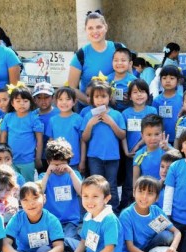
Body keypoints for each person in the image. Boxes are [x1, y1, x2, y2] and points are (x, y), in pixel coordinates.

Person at [119, 176, 181, 252]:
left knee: (167, 235)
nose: (144, 197)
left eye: (150, 193)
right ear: (134, 193)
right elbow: (130, 247)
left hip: (150, 247)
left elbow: (177, 232)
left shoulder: (156, 211)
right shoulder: (126, 215)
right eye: (141, 191)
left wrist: (173, 247)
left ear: (156, 198)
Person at [65, 175, 124, 252]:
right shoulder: (88, 215)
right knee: (64, 241)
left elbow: (109, 250)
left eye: (95, 196)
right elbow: (83, 240)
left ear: (106, 198)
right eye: (85, 196)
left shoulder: (109, 220)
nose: (89, 201)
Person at [82, 80, 127, 211]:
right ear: (92, 99)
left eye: (103, 96)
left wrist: (111, 122)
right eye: (96, 97)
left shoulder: (116, 115)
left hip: (112, 157)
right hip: (94, 156)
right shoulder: (88, 115)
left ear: (110, 97)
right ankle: (97, 210)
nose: (100, 100)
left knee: (111, 185)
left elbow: (122, 135)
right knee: (96, 184)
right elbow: (84, 138)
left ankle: (114, 210)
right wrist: (90, 124)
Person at [67, 11, 125, 105]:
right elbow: (72, 87)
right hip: (90, 111)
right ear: (85, 30)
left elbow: (130, 77)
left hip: (118, 108)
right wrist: (91, 101)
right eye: (90, 28)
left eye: (99, 27)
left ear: (106, 27)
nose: (95, 31)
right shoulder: (80, 55)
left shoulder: (119, 48)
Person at [39, 138, 83, 243]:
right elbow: (38, 192)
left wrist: (71, 172)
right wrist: (48, 173)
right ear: (49, 162)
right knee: (51, 243)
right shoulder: (43, 177)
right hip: (49, 220)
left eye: (62, 164)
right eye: (55, 164)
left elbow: (82, 192)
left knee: (69, 241)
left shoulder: (74, 175)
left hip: (70, 221)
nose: (59, 168)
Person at [0, 86, 44, 182]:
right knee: (12, 184)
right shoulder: (8, 117)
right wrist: (2, 157)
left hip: (27, 160)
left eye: (25, 101)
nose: (22, 104)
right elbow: (3, 138)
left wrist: (38, 158)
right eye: (18, 101)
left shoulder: (34, 118)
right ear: (12, 103)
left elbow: (39, 140)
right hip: (10, 160)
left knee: (27, 186)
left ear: (30, 102)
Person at [46, 87, 84, 172]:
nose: (64, 102)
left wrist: (82, 161)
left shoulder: (78, 119)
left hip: (74, 161)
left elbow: (82, 141)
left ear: (74, 101)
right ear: (56, 102)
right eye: (60, 99)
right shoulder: (53, 120)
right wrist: (50, 160)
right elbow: (50, 141)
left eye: (68, 99)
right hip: (57, 161)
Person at [32, 82, 60, 173]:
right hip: (39, 157)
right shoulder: (32, 115)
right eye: (39, 97)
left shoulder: (59, 113)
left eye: (46, 97)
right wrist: (37, 158)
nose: (43, 101)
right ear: (34, 99)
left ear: (52, 98)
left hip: (56, 155)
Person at [152, 66, 184, 145]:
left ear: (178, 81)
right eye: (164, 78)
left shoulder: (182, 99)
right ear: (160, 80)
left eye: (172, 78)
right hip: (162, 139)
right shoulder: (156, 101)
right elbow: (154, 121)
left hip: (179, 138)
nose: (168, 81)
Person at [132, 114, 166, 184]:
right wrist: (135, 192)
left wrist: (168, 149)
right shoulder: (139, 154)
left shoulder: (167, 150)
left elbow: (178, 156)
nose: (153, 138)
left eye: (156, 134)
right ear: (142, 136)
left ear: (162, 134)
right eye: (149, 134)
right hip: (146, 192)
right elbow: (135, 178)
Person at [107, 47, 138, 112]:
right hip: (110, 114)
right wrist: (109, 98)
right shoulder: (106, 80)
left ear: (130, 63)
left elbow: (140, 98)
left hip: (128, 114)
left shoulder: (134, 81)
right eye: (116, 60)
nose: (119, 63)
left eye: (123, 60)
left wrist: (131, 98)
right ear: (112, 62)